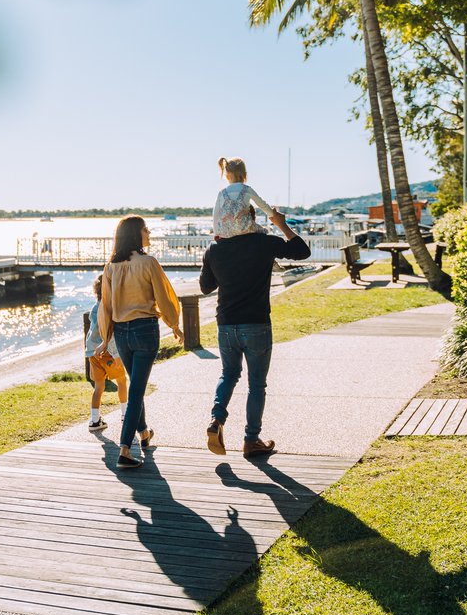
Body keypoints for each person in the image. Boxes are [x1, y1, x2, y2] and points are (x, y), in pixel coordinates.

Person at [200, 208, 310, 458]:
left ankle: (216, 420)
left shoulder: (215, 249)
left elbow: (206, 287)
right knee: (256, 385)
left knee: (228, 374)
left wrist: (222, 264)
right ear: (252, 219)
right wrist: (281, 224)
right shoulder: (264, 243)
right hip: (256, 323)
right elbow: (302, 251)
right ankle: (251, 440)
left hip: (226, 324)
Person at [97, 215, 183, 470]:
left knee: (136, 384)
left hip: (122, 332)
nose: (149, 233)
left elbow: (106, 306)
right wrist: (174, 324)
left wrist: (106, 336)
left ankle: (144, 433)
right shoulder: (148, 263)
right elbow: (165, 297)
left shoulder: (110, 267)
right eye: (146, 229)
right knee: (136, 390)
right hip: (145, 330)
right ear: (137, 234)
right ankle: (125, 448)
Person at [85, 275, 128, 432]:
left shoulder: (95, 307)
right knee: (122, 381)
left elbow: (92, 332)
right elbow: (108, 334)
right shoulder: (108, 309)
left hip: (92, 352)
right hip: (107, 352)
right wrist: (117, 355)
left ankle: (95, 421)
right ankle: (125, 414)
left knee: (99, 387)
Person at [213, 156, 285, 239]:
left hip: (226, 232)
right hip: (245, 228)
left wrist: (216, 233)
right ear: (244, 174)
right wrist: (272, 214)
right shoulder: (247, 189)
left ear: (227, 176)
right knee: (264, 231)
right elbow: (262, 204)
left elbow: (216, 214)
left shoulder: (222, 193)